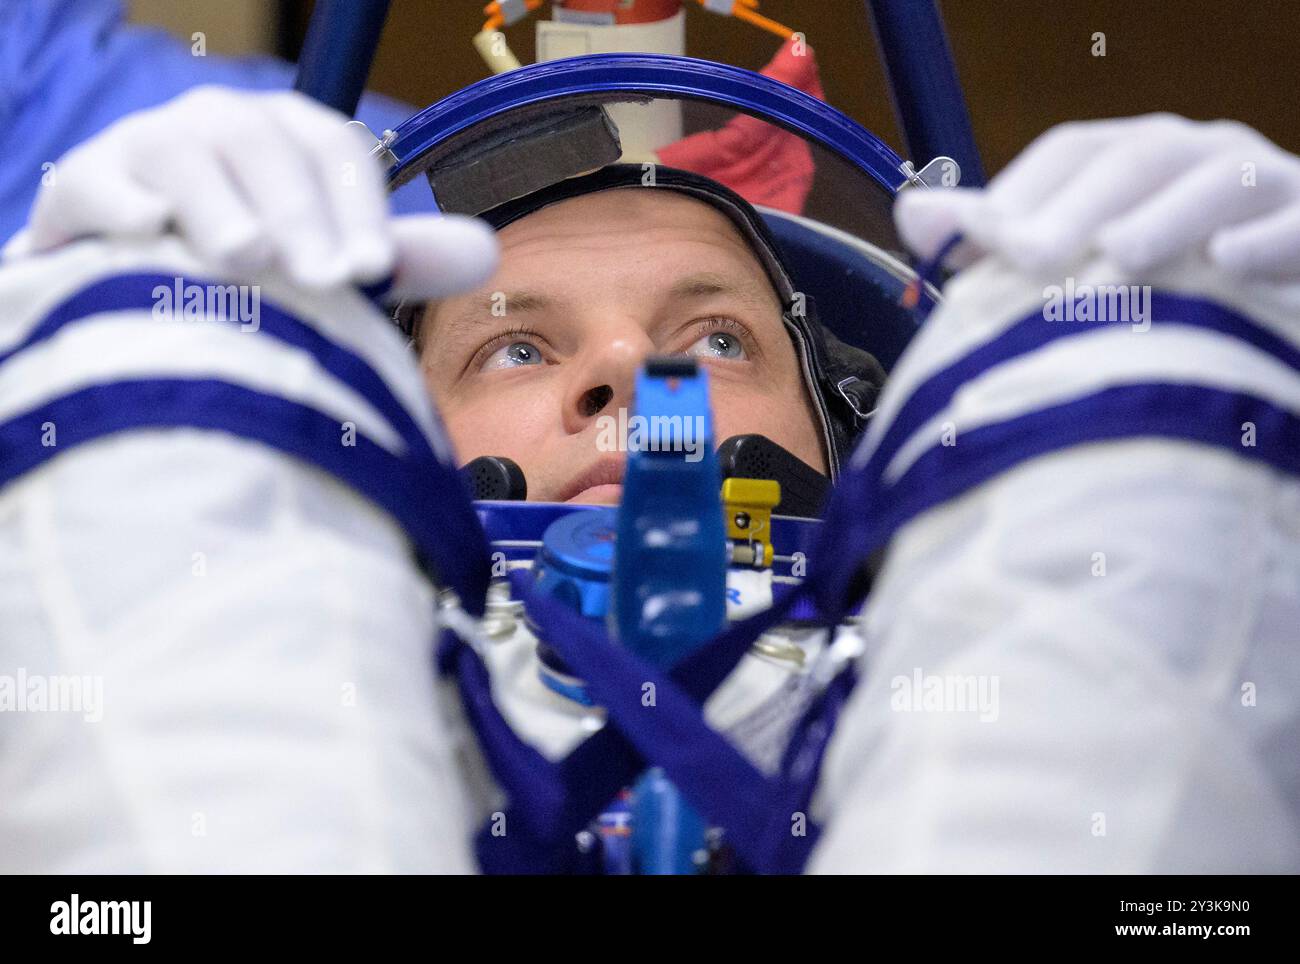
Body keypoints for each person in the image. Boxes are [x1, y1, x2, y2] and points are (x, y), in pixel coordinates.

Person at [3, 88, 1299, 872]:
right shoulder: (274, 631)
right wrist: (137, 365)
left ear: (849, 438)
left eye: (713, 338)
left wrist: (1180, 395)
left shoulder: (991, 660)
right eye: (518, 343)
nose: (631, 370)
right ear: (390, 444)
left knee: (1153, 377)